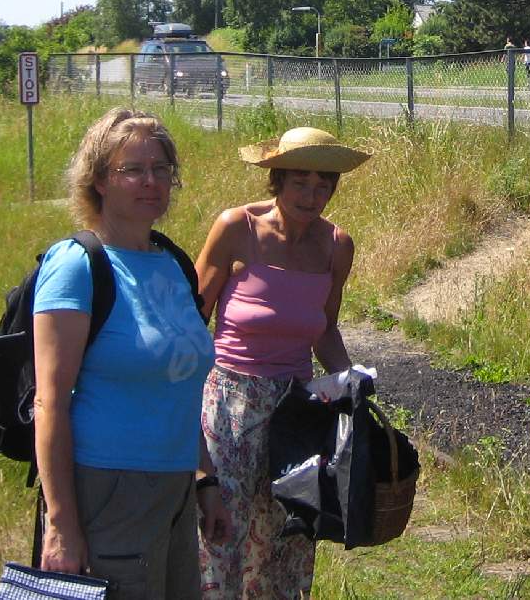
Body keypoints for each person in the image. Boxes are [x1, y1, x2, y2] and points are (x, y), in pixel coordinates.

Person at [32, 107, 229, 600]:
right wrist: (61, 525)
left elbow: (177, 387)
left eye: (161, 169)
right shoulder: (77, 266)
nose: (151, 182)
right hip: (107, 489)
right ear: (99, 179)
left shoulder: (175, 263)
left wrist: (204, 479)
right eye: (133, 170)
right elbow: (49, 403)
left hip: (175, 488)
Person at [195, 127, 371, 599]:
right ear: (276, 180)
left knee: (285, 536)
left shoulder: (337, 245)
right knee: (222, 533)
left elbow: (325, 329)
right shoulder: (237, 228)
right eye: (300, 182)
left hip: (294, 411)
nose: (311, 196)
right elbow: (192, 321)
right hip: (230, 403)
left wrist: (349, 383)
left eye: (323, 185)